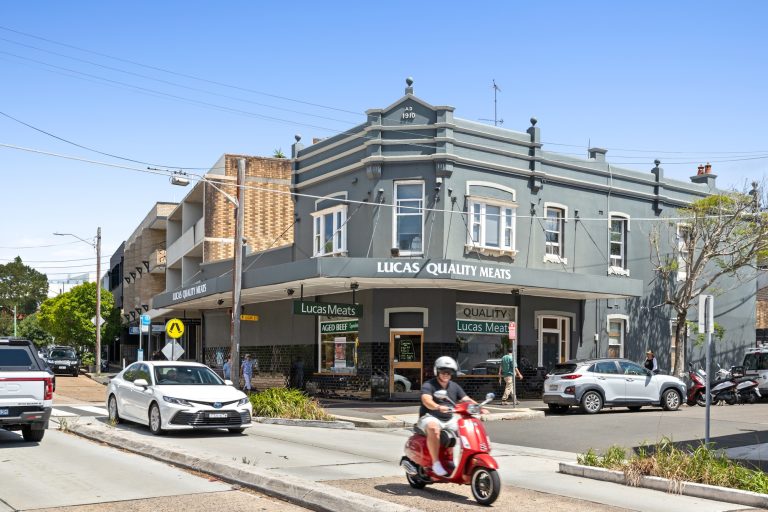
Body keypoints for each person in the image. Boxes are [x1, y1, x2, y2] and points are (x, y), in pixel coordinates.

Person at [418, 356, 486, 477]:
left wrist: (479, 407)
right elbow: (426, 400)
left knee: (469, 429)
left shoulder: (454, 386)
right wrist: (437, 406)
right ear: (437, 371)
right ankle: (436, 463)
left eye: (449, 372)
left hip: (449, 419)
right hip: (430, 416)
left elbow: (466, 399)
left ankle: (464, 461)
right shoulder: (429, 385)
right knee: (433, 428)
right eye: (443, 371)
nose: (446, 374)